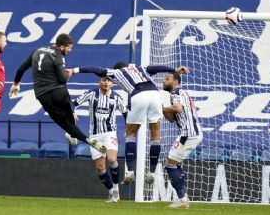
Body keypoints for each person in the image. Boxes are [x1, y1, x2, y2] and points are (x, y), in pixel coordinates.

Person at [67, 62, 190, 185]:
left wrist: (74, 70)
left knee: (130, 135)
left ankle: (130, 173)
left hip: (138, 95)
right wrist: (175, 69)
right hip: (155, 95)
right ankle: (151, 173)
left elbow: (95, 68)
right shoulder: (141, 68)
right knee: (155, 136)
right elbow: (156, 68)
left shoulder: (116, 73)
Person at [8, 33, 106, 153]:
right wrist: (68, 74)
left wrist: (16, 84)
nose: (70, 50)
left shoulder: (37, 51)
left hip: (42, 95)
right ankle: (74, 133)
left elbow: (21, 69)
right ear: (61, 47)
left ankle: (86, 139)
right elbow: (63, 79)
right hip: (59, 92)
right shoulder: (58, 55)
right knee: (70, 117)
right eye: (69, 47)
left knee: (64, 123)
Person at [71, 76, 127, 203]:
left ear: (112, 83)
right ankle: (111, 192)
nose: (106, 82)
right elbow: (73, 103)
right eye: (103, 80)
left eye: (109, 80)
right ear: (99, 82)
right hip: (95, 136)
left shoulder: (116, 97)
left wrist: (128, 129)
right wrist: (73, 112)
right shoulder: (91, 94)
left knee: (112, 159)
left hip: (110, 133)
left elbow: (126, 113)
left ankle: (116, 189)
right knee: (100, 168)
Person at [162, 72, 202, 208]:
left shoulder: (176, 92)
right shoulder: (182, 93)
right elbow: (173, 119)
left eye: (167, 79)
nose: (163, 81)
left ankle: (182, 198)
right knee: (175, 163)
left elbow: (178, 108)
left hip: (188, 134)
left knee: (170, 165)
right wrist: (164, 111)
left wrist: (161, 107)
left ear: (175, 82)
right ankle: (183, 196)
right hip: (191, 133)